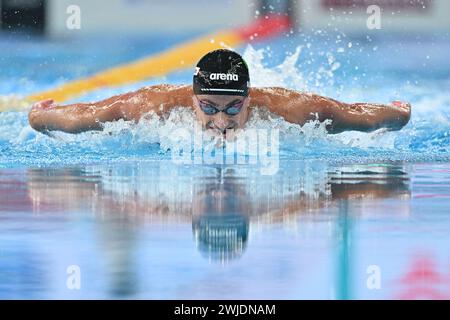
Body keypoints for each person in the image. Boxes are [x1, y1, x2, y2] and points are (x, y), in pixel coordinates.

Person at [28, 49, 411, 136]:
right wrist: (40, 116)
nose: (221, 122)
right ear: (192, 99)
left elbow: (355, 115)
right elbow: (86, 116)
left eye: (233, 109)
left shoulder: (292, 110)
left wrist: (400, 114)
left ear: (250, 99)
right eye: (208, 108)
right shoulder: (150, 107)